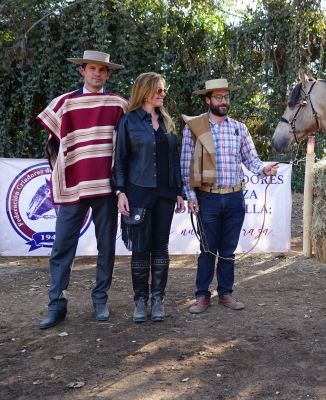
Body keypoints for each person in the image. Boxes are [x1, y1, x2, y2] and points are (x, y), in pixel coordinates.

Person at [35, 50, 128, 329]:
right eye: (91, 68)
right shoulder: (64, 103)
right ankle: (56, 305)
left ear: (108, 74)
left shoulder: (119, 104)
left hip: (106, 187)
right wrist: (61, 169)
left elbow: (125, 146)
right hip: (73, 185)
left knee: (106, 247)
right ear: (82, 71)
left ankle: (100, 299)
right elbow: (52, 142)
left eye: (102, 69)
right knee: (62, 246)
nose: (97, 73)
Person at [181, 78, 279, 314]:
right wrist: (190, 195)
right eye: (218, 97)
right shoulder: (194, 128)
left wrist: (263, 169)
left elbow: (251, 159)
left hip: (235, 197)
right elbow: (185, 165)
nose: (224, 101)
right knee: (207, 250)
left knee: (228, 250)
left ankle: (225, 293)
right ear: (208, 100)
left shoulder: (239, 128)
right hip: (207, 198)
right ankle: (202, 296)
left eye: (226, 97)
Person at [113, 73, 185, 323]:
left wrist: (179, 190)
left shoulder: (167, 122)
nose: (163, 94)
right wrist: (120, 191)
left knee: (161, 248)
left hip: (165, 194)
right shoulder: (129, 121)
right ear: (145, 92)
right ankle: (140, 301)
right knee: (141, 250)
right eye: (158, 90)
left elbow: (173, 159)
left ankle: (158, 299)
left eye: (164, 90)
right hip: (137, 194)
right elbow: (120, 159)